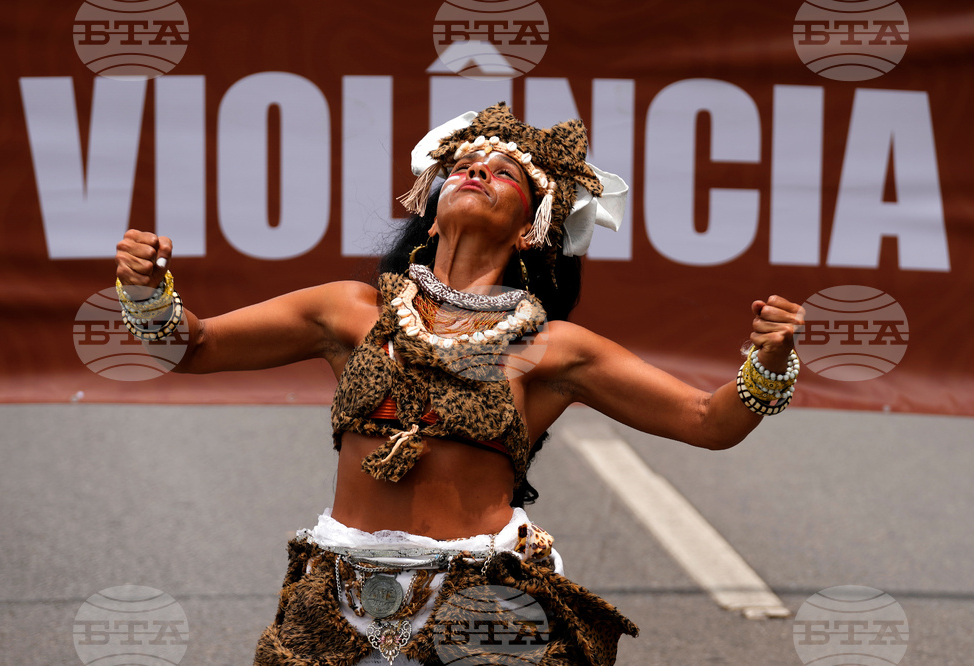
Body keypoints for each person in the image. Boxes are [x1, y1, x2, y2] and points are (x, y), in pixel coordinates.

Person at [114, 103, 804, 666]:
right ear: (432, 202)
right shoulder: (348, 312)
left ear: (532, 228)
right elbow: (192, 347)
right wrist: (146, 290)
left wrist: (769, 361)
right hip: (337, 602)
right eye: (465, 165)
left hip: (485, 614)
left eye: (504, 173)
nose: (477, 171)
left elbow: (707, 420)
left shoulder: (549, 349)